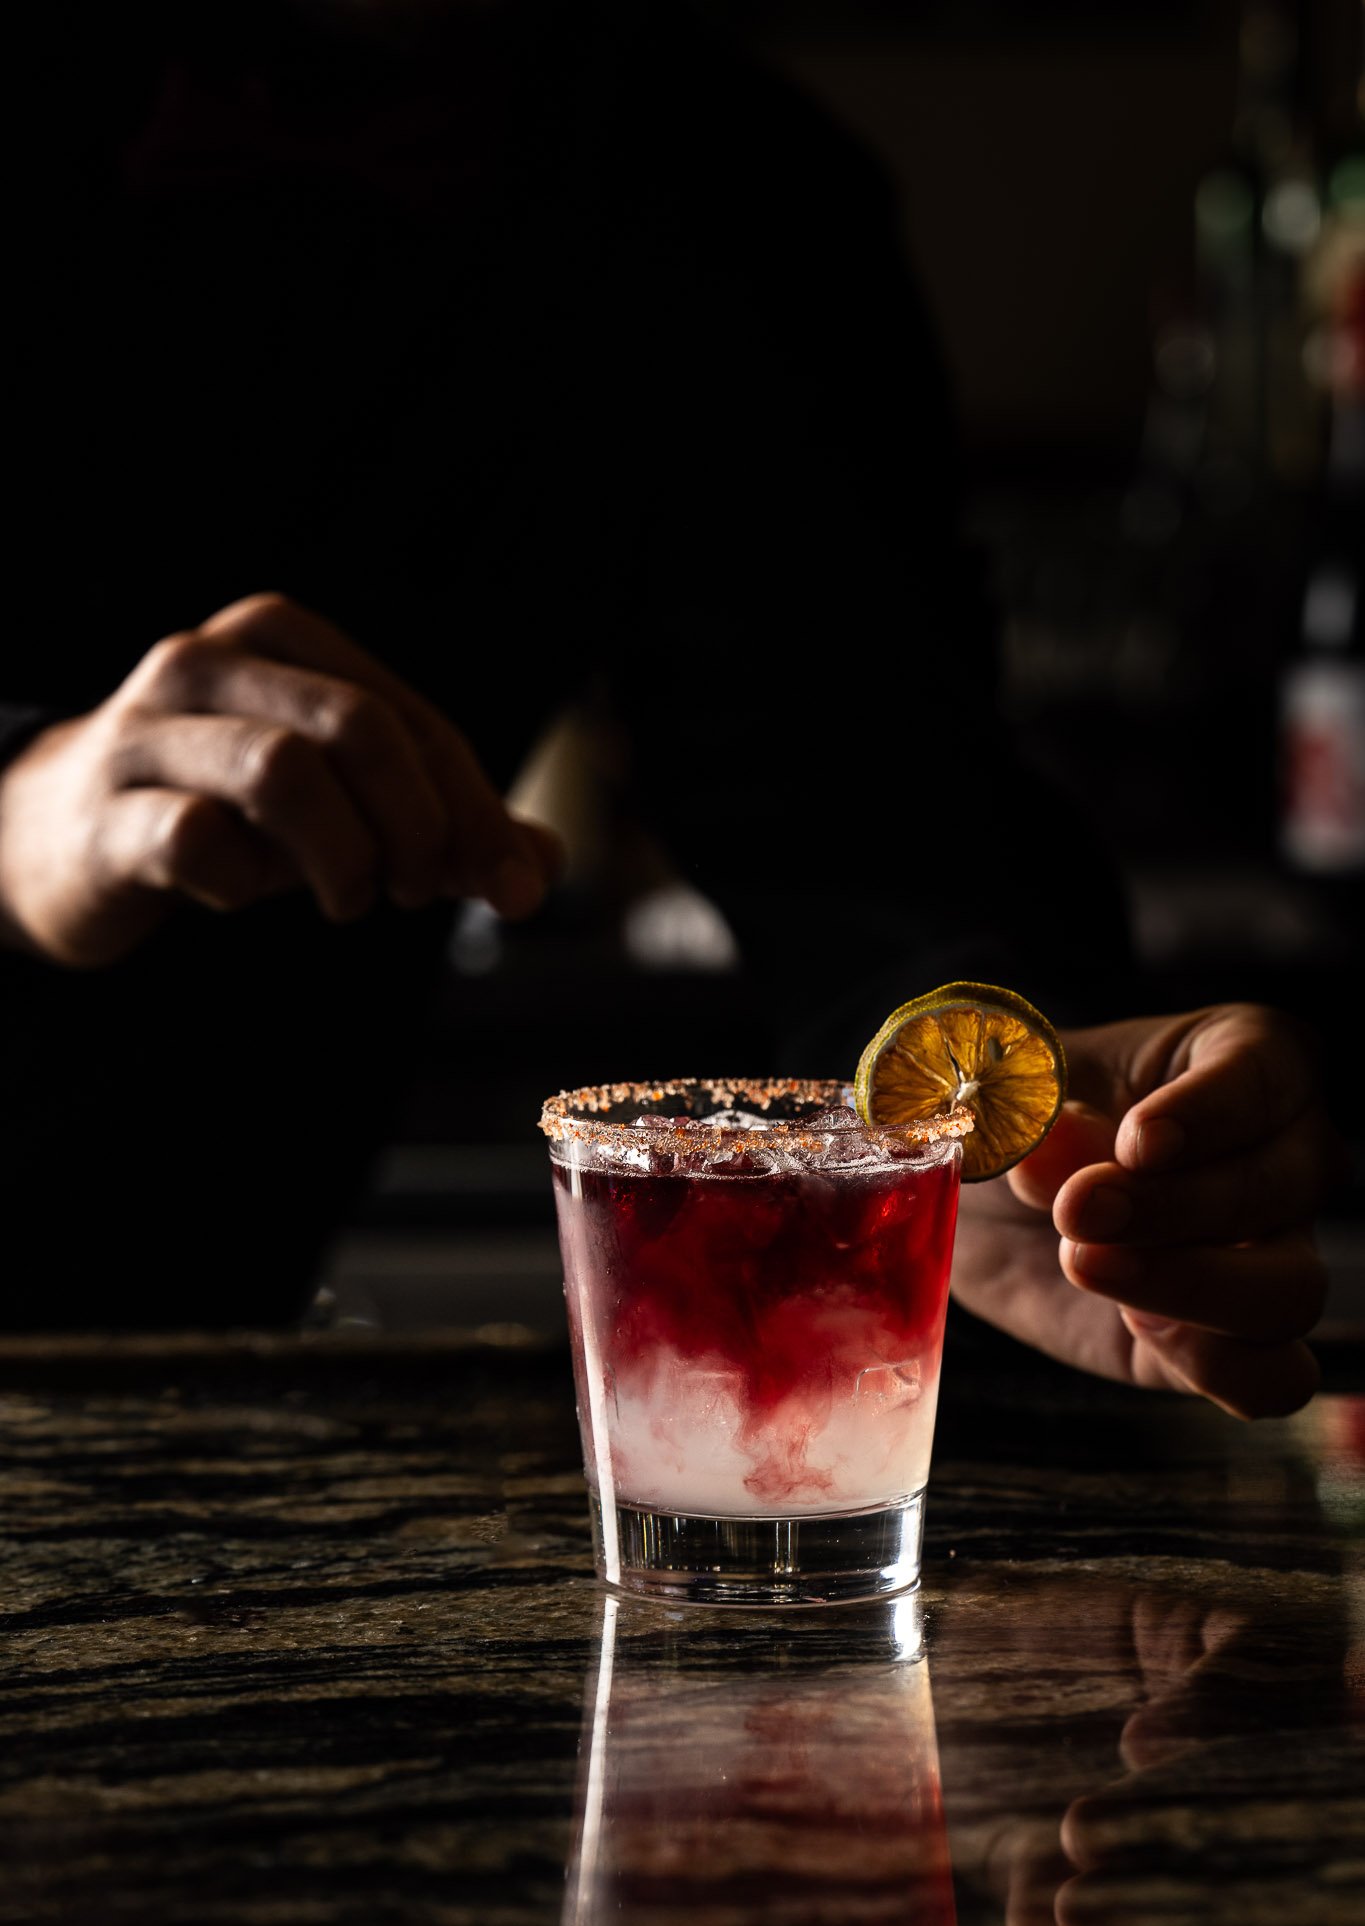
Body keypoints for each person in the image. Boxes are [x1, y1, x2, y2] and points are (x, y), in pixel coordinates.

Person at [0, 0, 1342, 1412]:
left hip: (201, 1371)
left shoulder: (710, 182)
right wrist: (22, 808)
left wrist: (1011, 1131)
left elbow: (864, 805)